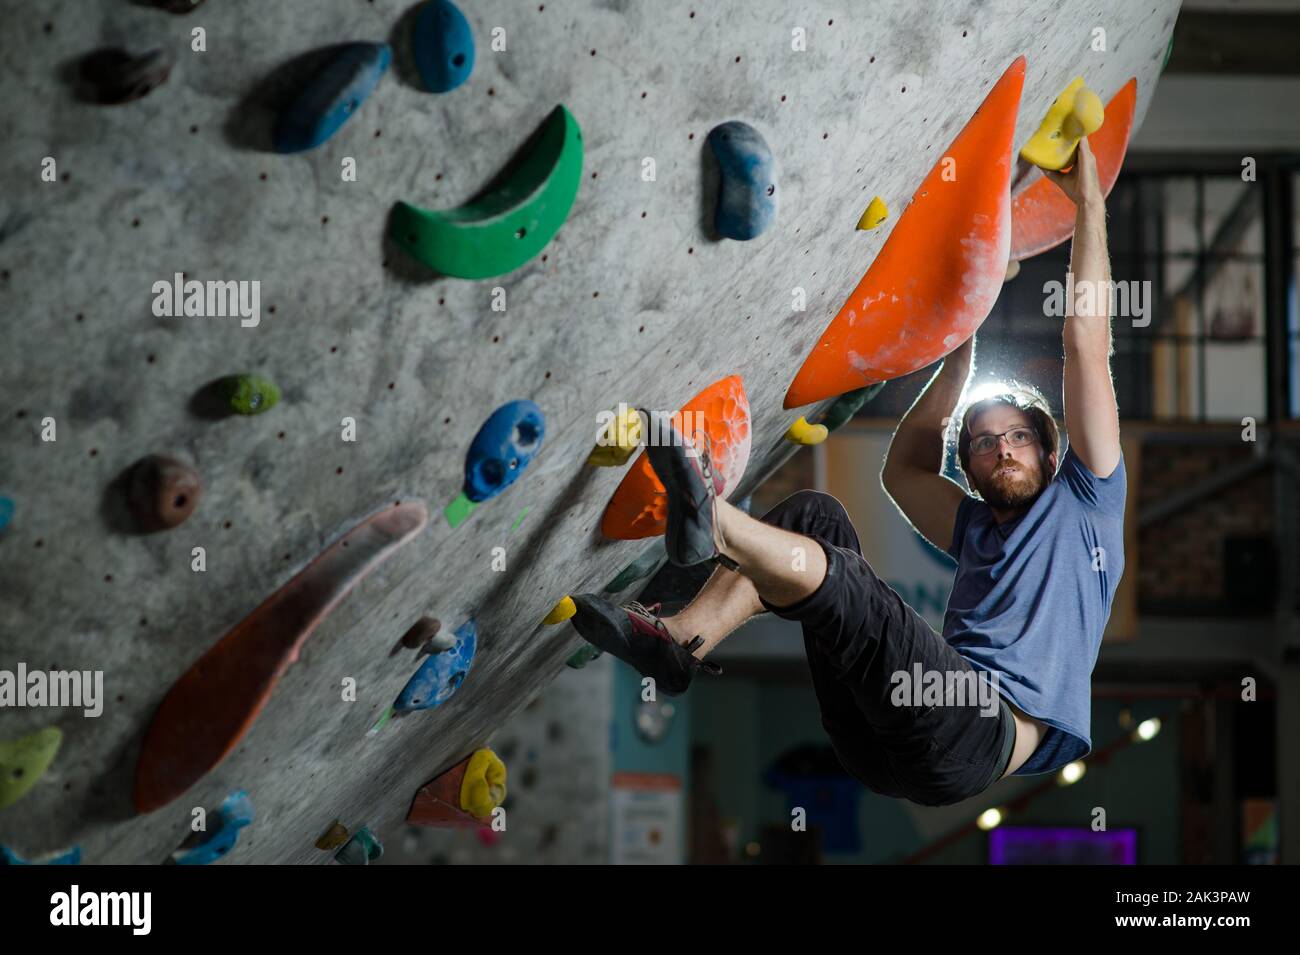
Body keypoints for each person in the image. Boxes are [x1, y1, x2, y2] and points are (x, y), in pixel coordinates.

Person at [571, 139, 1126, 807]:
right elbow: (905, 467)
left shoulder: (1087, 499)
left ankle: (710, 517)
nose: (1002, 449)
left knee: (852, 587)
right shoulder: (976, 526)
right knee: (815, 518)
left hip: (972, 736)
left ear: (1048, 448)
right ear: (971, 468)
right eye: (982, 443)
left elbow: (1086, 344)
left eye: (1016, 437)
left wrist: (1090, 202)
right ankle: (680, 643)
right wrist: (962, 339)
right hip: (880, 738)